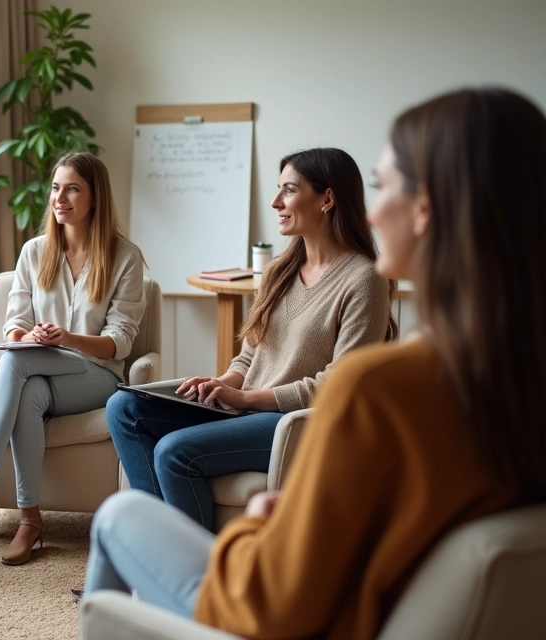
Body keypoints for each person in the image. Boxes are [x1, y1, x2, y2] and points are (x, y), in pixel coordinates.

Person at [84, 87, 546, 639]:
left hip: (294, 604)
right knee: (128, 409)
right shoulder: (513, 378)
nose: (373, 208)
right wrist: (229, 382)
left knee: (117, 518)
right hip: (372, 595)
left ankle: (159, 581)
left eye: (383, 186)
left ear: (424, 210)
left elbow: (276, 604)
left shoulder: (380, 383)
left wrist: (253, 533)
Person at [104, 147, 396, 531]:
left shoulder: (364, 280)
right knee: (123, 407)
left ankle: (197, 577)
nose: (276, 202)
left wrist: (245, 398)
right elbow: (248, 358)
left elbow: (341, 384)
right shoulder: (278, 271)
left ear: (327, 199)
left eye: (288, 191)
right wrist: (220, 385)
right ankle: (159, 549)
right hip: (250, 407)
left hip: (299, 422)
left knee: (174, 452)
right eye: (278, 190)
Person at [0, 152, 146, 565]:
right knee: (26, 385)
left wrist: (67, 338)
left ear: (95, 199)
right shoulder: (35, 252)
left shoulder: (125, 257)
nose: (59, 197)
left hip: (97, 378)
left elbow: (119, 342)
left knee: (17, 365)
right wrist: (28, 335)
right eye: (55, 188)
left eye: (72, 189)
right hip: (41, 371)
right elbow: (12, 326)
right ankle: (30, 520)